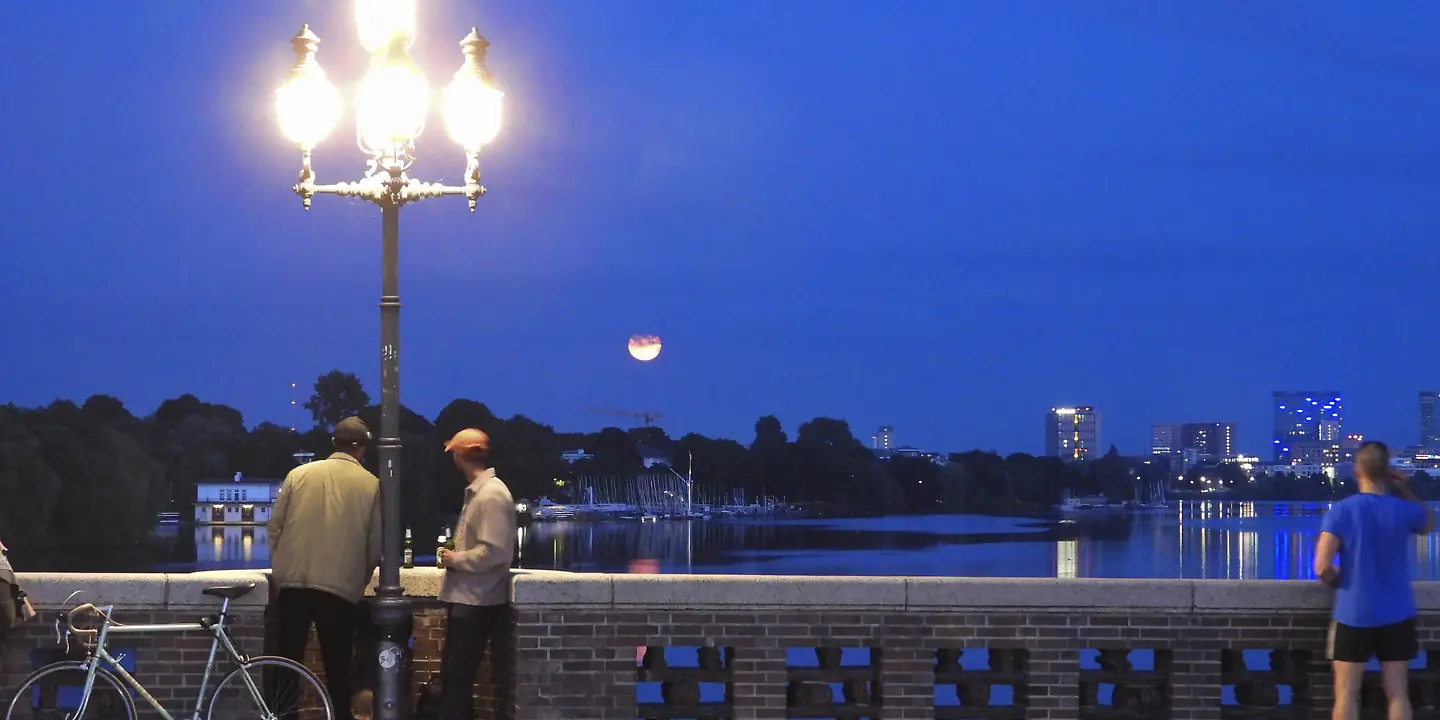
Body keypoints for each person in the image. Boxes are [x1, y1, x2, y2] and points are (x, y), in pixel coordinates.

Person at [268, 416, 383, 713]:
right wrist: (357, 582)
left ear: (334, 443)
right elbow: (375, 546)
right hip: (339, 589)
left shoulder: (298, 474)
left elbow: (275, 528)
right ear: (363, 449)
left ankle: (280, 716)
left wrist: (282, 570)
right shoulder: (371, 485)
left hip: (293, 583)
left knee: (286, 665)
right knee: (338, 669)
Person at [1314, 440, 1435, 720]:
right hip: (1398, 613)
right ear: (1388, 473)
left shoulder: (1342, 511)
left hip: (1353, 611)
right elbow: (1429, 523)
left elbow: (1322, 566)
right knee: (1398, 693)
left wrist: (1336, 582)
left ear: (1358, 470)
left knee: (1346, 693)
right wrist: (1404, 488)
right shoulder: (1403, 510)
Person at [436, 428, 516, 720]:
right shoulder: (482, 493)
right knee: (455, 677)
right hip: (471, 597)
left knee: (456, 677)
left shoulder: (491, 495)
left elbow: (494, 552)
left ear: (459, 455)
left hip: (477, 600)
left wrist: (456, 558)